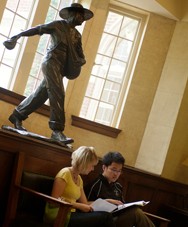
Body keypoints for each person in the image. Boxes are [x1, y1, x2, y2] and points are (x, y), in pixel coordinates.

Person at [3, 3, 93, 144]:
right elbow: (38, 29)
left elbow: (81, 55)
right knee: (58, 92)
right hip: (51, 62)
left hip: (62, 68)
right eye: (80, 15)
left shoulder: (76, 35)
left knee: (40, 94)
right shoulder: (57, 25)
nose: (83, 18)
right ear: (72, 14)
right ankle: (57, 130)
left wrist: (80, 61)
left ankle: (17, 115)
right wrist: (18, 35)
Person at [44, 146, 115, 227]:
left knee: (106, 215)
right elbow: (55, 200)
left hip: (72, 213)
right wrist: (78, 205)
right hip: (59, 214)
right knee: (105, 217)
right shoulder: (65, 173)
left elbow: (85, 203)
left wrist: (107, 201)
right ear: (84, 163)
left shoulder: (79, 179)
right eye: (92, 165)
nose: (93, 169)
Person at [85, 151, 155, 227]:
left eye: (119, 171)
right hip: (102, 221)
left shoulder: (118, 187)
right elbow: (86, 206)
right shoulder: (95, 185)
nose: (116, 174)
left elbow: (122, 206)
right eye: (114, 170)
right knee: (135, 213)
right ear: (104, 167)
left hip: (118, 218)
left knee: (135, 211)